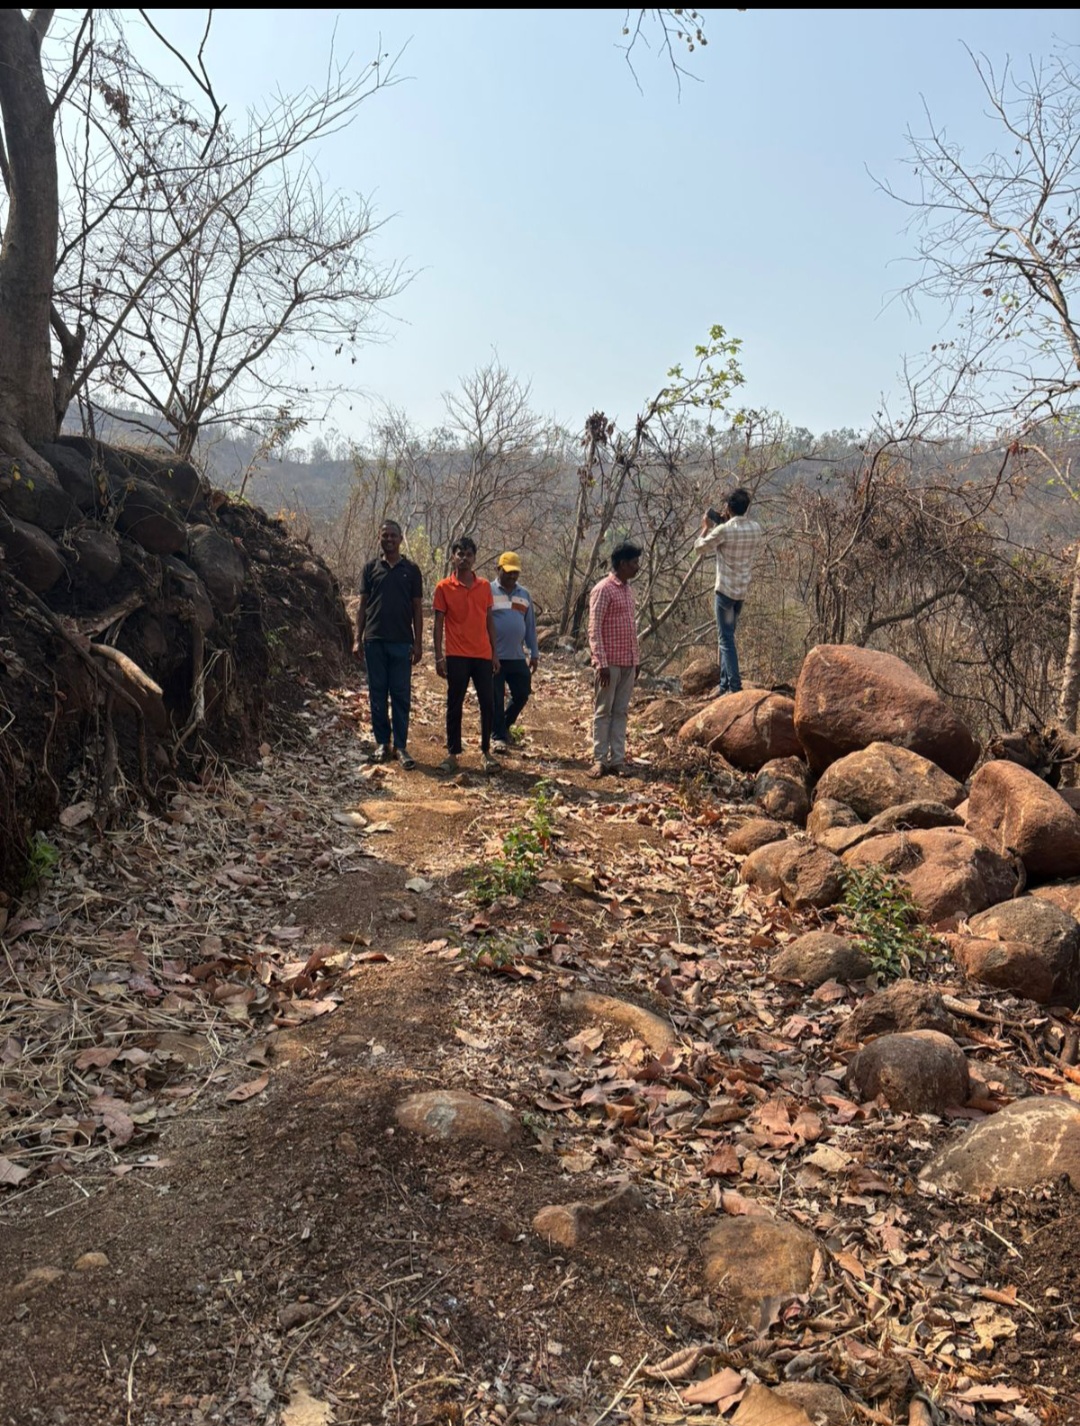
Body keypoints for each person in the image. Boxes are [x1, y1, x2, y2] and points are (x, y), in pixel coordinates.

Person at [355, 520, 423, 769]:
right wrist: (357, 638)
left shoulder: (412, 570)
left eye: (393, 535)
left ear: (401, 538)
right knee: (377, 694)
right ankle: (382, 743)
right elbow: (362, 606)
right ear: (380, 538)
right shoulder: (370, 568)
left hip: (402, 642)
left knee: (401, 695)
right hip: (374, 640)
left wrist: (418, 643)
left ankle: (401, 746)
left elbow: (417, 608)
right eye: (385, 535)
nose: (389, 539)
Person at [433, 536, 501, 774]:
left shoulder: (484, 587)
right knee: (454, 703)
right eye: (460, 554)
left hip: (482, 654)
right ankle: (452, 753)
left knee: (488, 703)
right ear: (453, 556)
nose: (464, 558)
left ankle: (486, 752)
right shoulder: (443, 587)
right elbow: (438, 623)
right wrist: (438, 656)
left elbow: (489, 620)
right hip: (457, 654)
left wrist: (494, 653)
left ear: (474, 558)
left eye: (468, 554)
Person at [693, 487, 764, 696]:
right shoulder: (756, 528)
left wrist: (706, 527)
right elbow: (739, 533)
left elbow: (699, 548)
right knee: (728, 636)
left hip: (724, 591)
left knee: (725, 639)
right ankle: (723, 684)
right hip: (741, 591)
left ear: (728, 507)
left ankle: (735, 687)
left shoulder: (723, 531)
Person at [587, 541, 641, 778]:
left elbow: (631, 628)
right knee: (603, 711)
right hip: (609, 664)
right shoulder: (603, 589)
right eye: (633, 563)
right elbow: (594, 628)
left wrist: (635, 660)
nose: (637, 567)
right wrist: (601, 662)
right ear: (621, 563)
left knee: (621, 712)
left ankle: (617, 760)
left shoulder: (628, 590)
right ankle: (599, 760)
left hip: (627, 662)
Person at [489, 551, 539, 754]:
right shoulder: (487, 591)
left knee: (522, 693)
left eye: (515, 573)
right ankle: (498, 737)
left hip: (517, 656)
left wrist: (534, 652)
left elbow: (530, 626)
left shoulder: (524, 594)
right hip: (494, 656)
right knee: (495, 698)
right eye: (508, 572)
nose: (512, 576)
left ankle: (503, 725)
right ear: (498, 569)